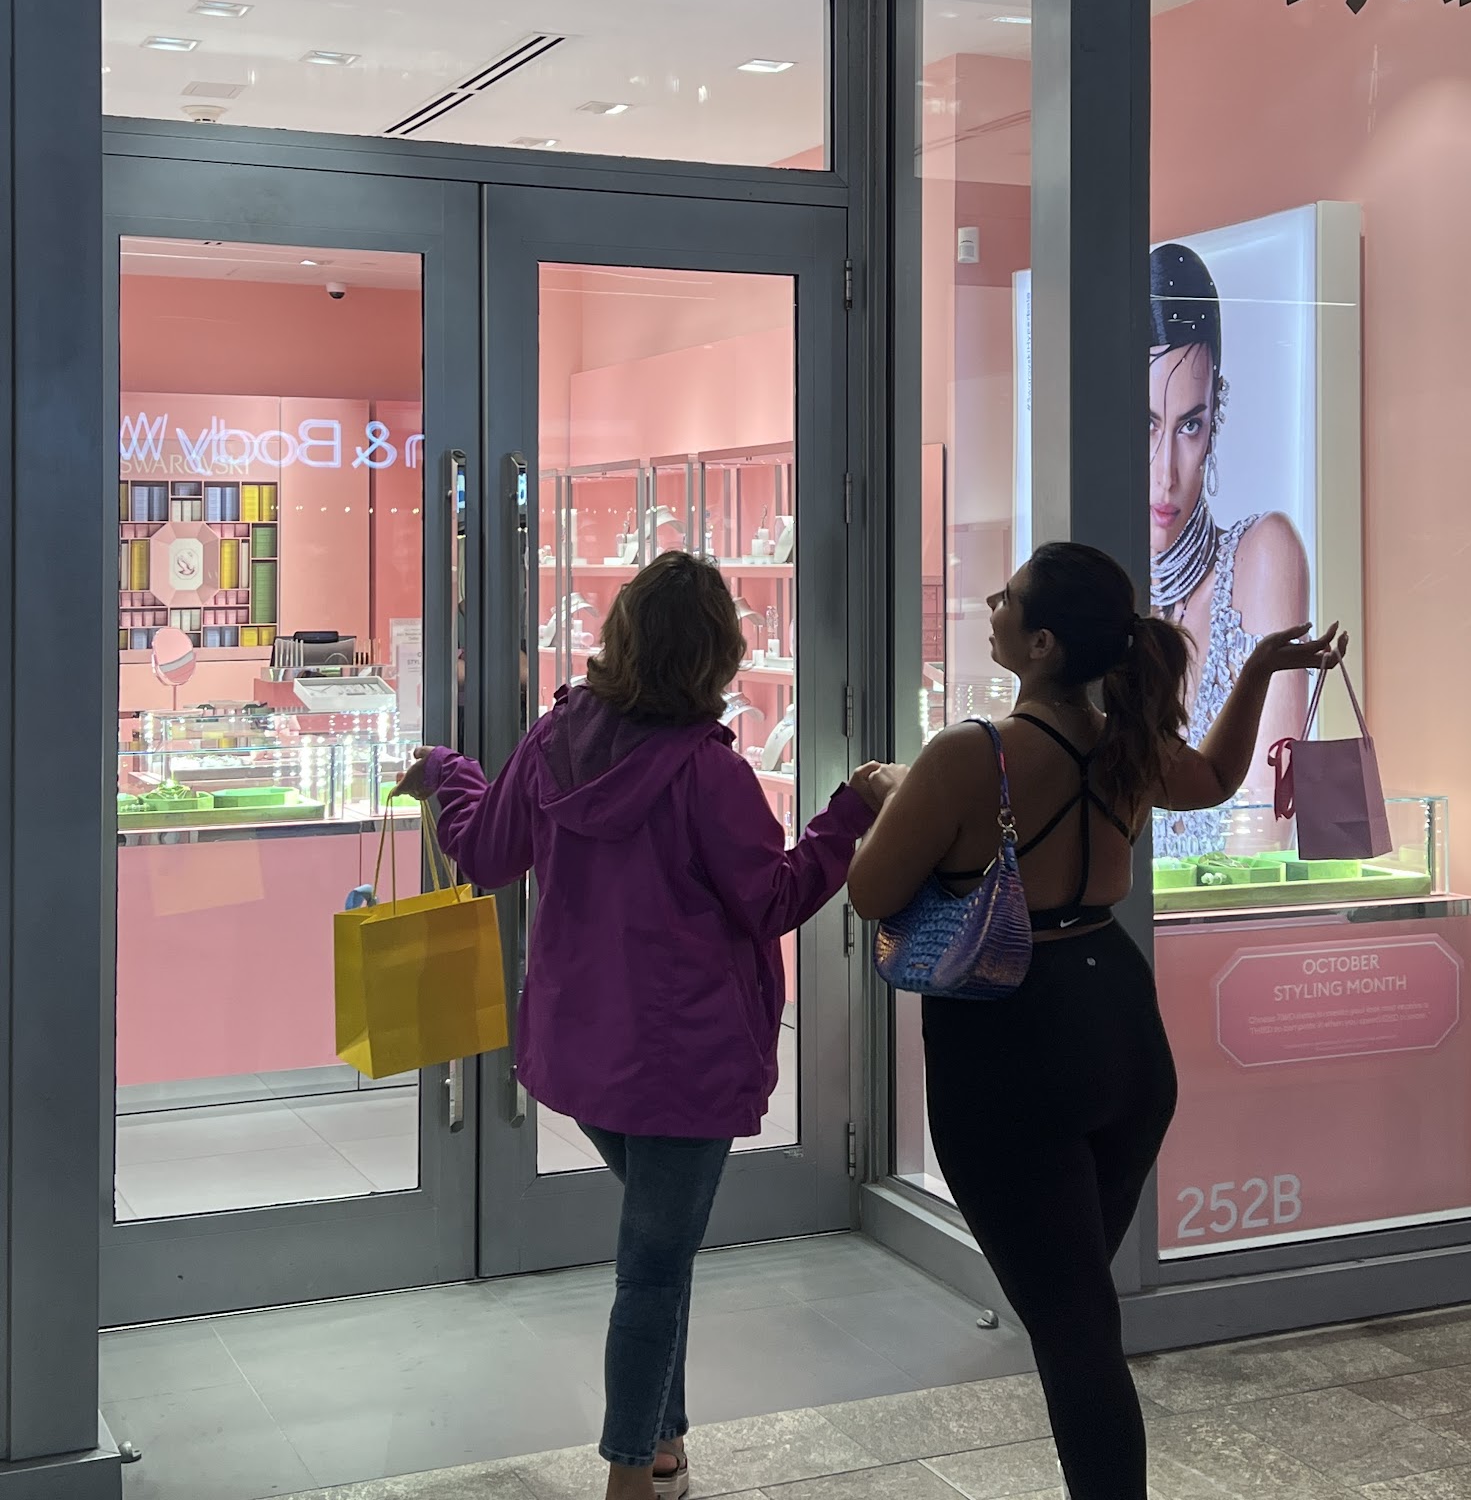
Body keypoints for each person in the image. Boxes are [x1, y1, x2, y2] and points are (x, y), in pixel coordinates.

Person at [395, 551, 899, 1500]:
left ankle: (663, 1440)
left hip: (582, 1048)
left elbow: (488, 853)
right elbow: (773, 899)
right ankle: (630, 1472)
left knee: (660, 1245)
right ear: (717, 656)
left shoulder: (557, 740)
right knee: (654, 1267)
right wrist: (849, 814)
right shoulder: (711, 776)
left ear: (621, 637)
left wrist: (448, 773)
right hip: (686, 1061)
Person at [847, 541, 1341, 1500]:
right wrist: (1257, 670)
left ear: (1041, 644)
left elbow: (872, 891)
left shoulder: (968, 754)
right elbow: (1215, 777)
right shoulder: (1128, 742)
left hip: (1007, 1040)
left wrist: (889, 797)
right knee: (1078, 1305)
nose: (991, 604)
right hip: (1119, 1022)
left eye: (1008, 598)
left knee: (1074, 1330)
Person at [1149, 240, 1311, 853]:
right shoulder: (1090, 598)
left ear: (1215, 416)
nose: (1166, 474)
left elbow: (1265, 838)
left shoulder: (1263, 555)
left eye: (1189, 425)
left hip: (1231, 915)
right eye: (1145, 425)